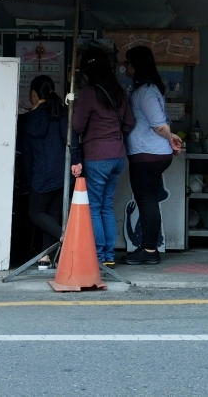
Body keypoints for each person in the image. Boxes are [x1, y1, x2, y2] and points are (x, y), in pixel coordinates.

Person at [70, 48, 135, 267]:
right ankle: (108, 256)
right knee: (106, 206)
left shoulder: (89, 93)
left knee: (95, 207)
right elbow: (129, 123)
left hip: (97, 157)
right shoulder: (119, 92)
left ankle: (97, 256)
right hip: (118, 156)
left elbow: (76, 125)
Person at [122, 46, 182, 265]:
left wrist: (169, 136)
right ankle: (148, 247)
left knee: (147, 201)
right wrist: (170, 137)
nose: (125, 66)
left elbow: (158, 125)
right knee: (147, 201)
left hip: (149, 154)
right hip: (149, 153)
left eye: (128, 62)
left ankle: (149, 250)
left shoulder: (146, 91)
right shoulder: (147, 89)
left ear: (137, 65)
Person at [18, 75, 68, 268]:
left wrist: (30, 180)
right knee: (52, 215)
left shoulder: (28, 120)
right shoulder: (61, 113)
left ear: (33, 94)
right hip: (61, 174)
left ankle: (66, 238)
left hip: (41, 174)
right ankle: (45, 257)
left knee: (36, 212)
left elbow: (27, 154)